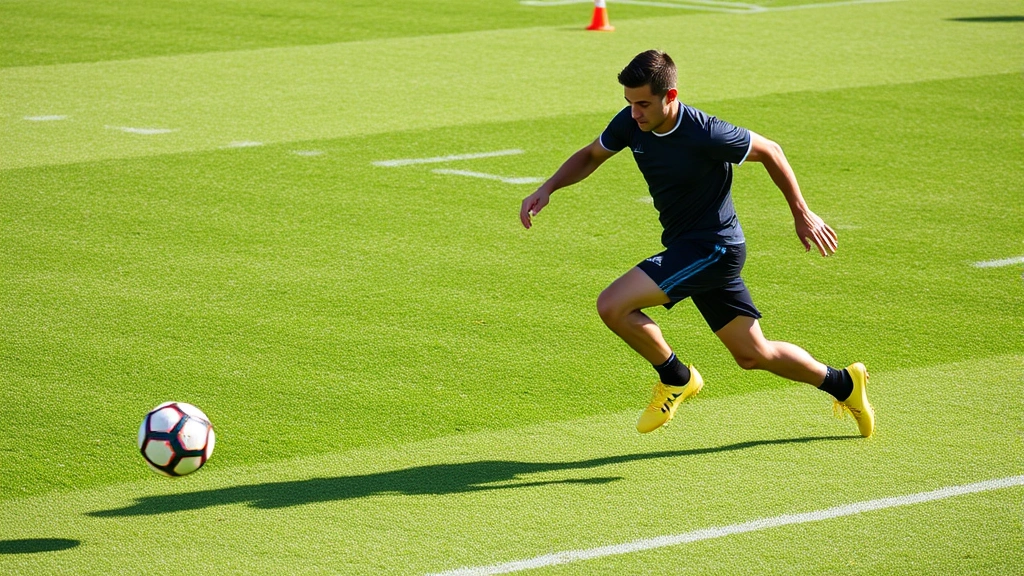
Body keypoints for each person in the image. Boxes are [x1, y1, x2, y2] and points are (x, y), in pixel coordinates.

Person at [519, 50, 874, 437]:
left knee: (613, 304)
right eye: (629, 103)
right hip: (691, 249)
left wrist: (801, 213)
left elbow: (771, 151)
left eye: (643, 104)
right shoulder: (631, 124)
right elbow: (591, 155)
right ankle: (844, 383)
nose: (635, 113)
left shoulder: (706, 133)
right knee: (754, 355)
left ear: (670, 96)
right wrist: (548, 187)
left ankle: (676, 377)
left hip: (713, 249)